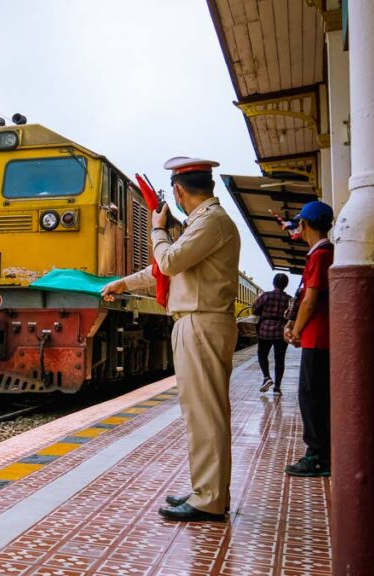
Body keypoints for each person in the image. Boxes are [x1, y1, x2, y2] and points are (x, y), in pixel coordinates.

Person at [102, 156, 240, 522]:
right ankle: (206, 491)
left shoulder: (212, 221)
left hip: (201, 322)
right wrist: (123, 283)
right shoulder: (204, 223)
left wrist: (156, 229)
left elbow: (169, 262)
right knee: (200, 413)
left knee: (205, 413)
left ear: (179, 191)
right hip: (196, 322)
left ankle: (209, 498)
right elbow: (166, 268)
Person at [283, 200, 334, 477]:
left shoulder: (320, 255)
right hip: (319, 336)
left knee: (311, 396)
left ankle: (318, 456)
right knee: (314, 395)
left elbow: (310, 299)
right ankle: (320, 452)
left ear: (303, 224)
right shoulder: (321, 253)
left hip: (318, 338)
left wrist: (298, 329)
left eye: (299, 224)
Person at [252, 273, 292, 395]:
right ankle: (277, 388)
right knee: (280, 359)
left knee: (262, 354)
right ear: (286, 285)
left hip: (265, 329)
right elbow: (291, 314)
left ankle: (266, 377)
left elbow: (254, 309)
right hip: (281, 331)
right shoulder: (289, 299)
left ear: (273, 283)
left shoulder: (265, 296)